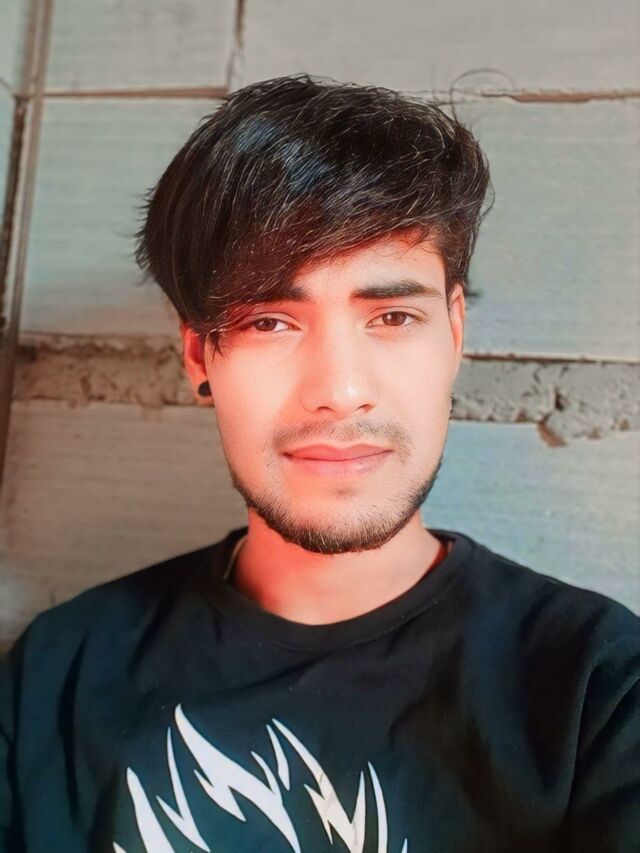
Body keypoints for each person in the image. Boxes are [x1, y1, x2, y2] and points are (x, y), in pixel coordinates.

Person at [1, 73, 638, 853]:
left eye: (392, 316)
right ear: (199, 355)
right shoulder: (57, 676)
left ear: (454, 332)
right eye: (270, 321)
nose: (339, 390)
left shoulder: (599, 692)